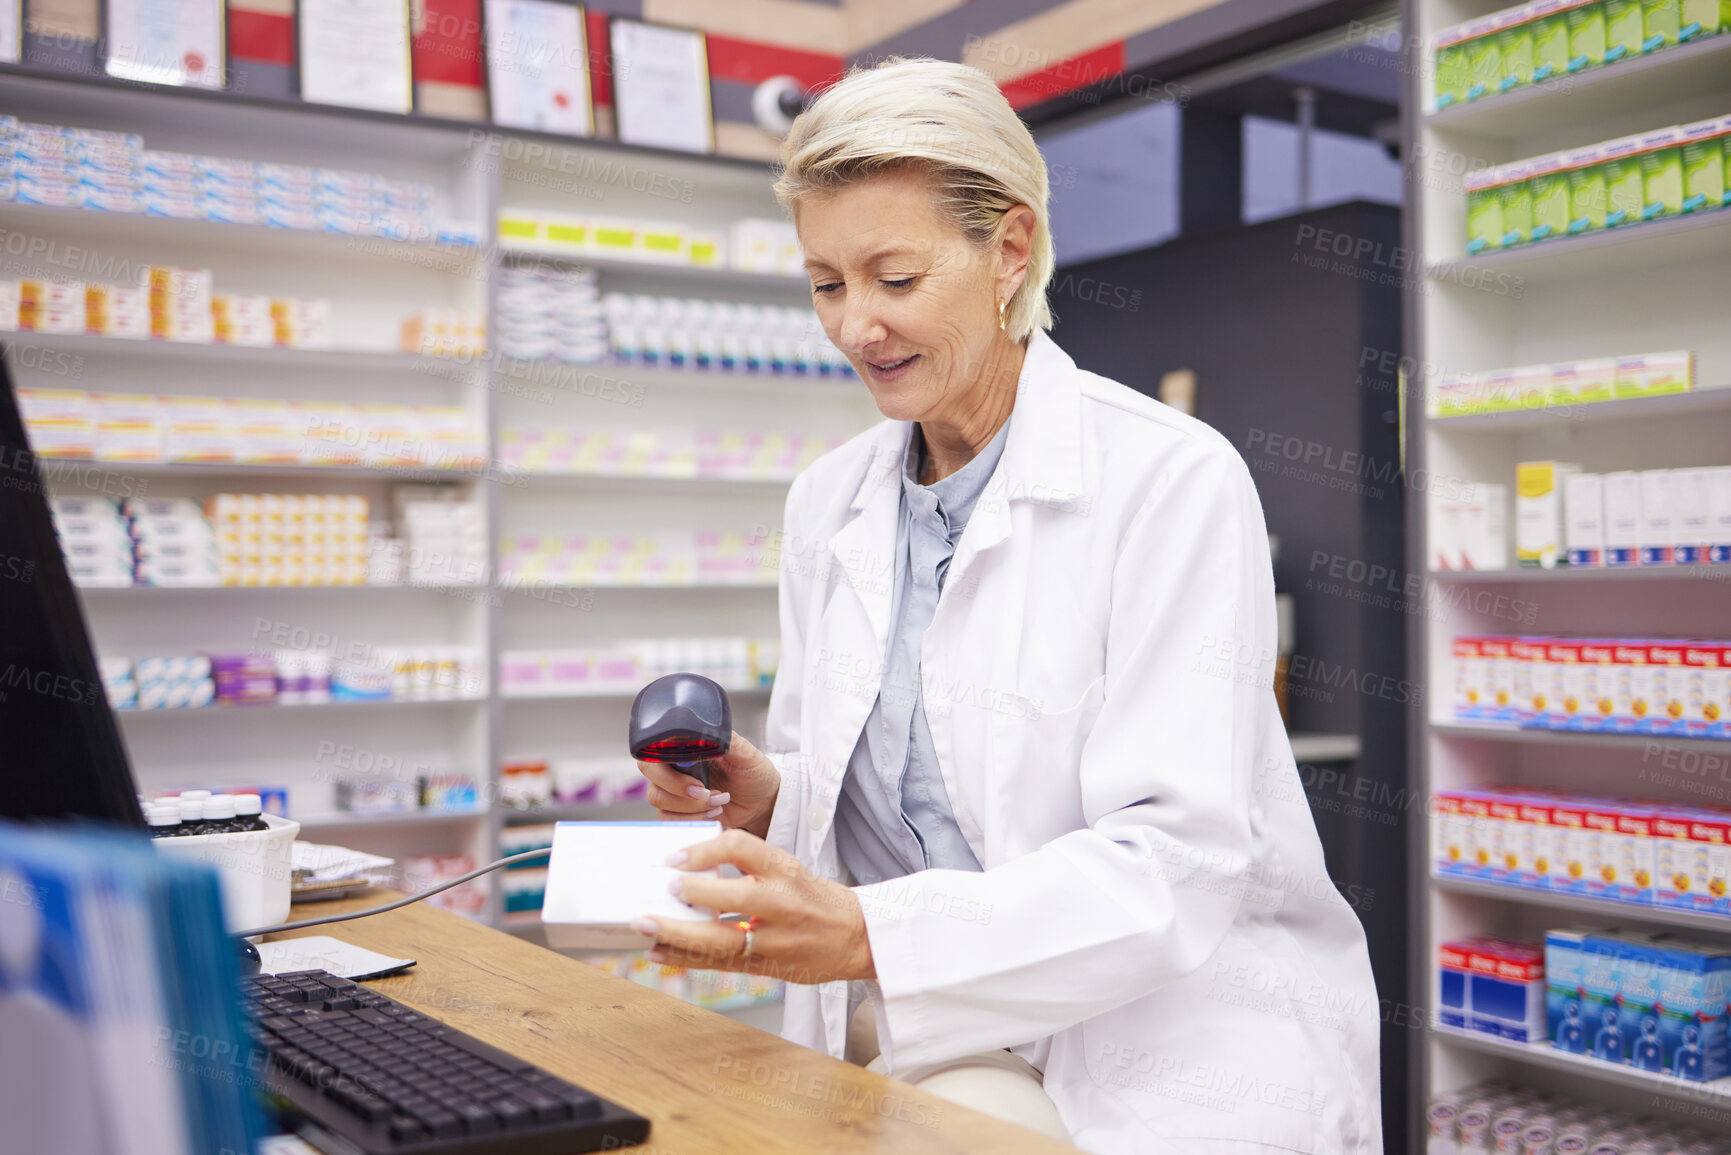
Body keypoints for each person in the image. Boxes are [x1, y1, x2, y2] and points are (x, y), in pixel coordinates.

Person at [631, 57, 1381, 1153]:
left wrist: (869, 933)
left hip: (1162, 1055)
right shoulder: (828, 501)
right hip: (944, 1045)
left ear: (1009, 251)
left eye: (895, 278)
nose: (854, 328)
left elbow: (1173, 862)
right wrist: (766, 796)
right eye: (827, 284)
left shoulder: (1169, 478)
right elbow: (882, 799)